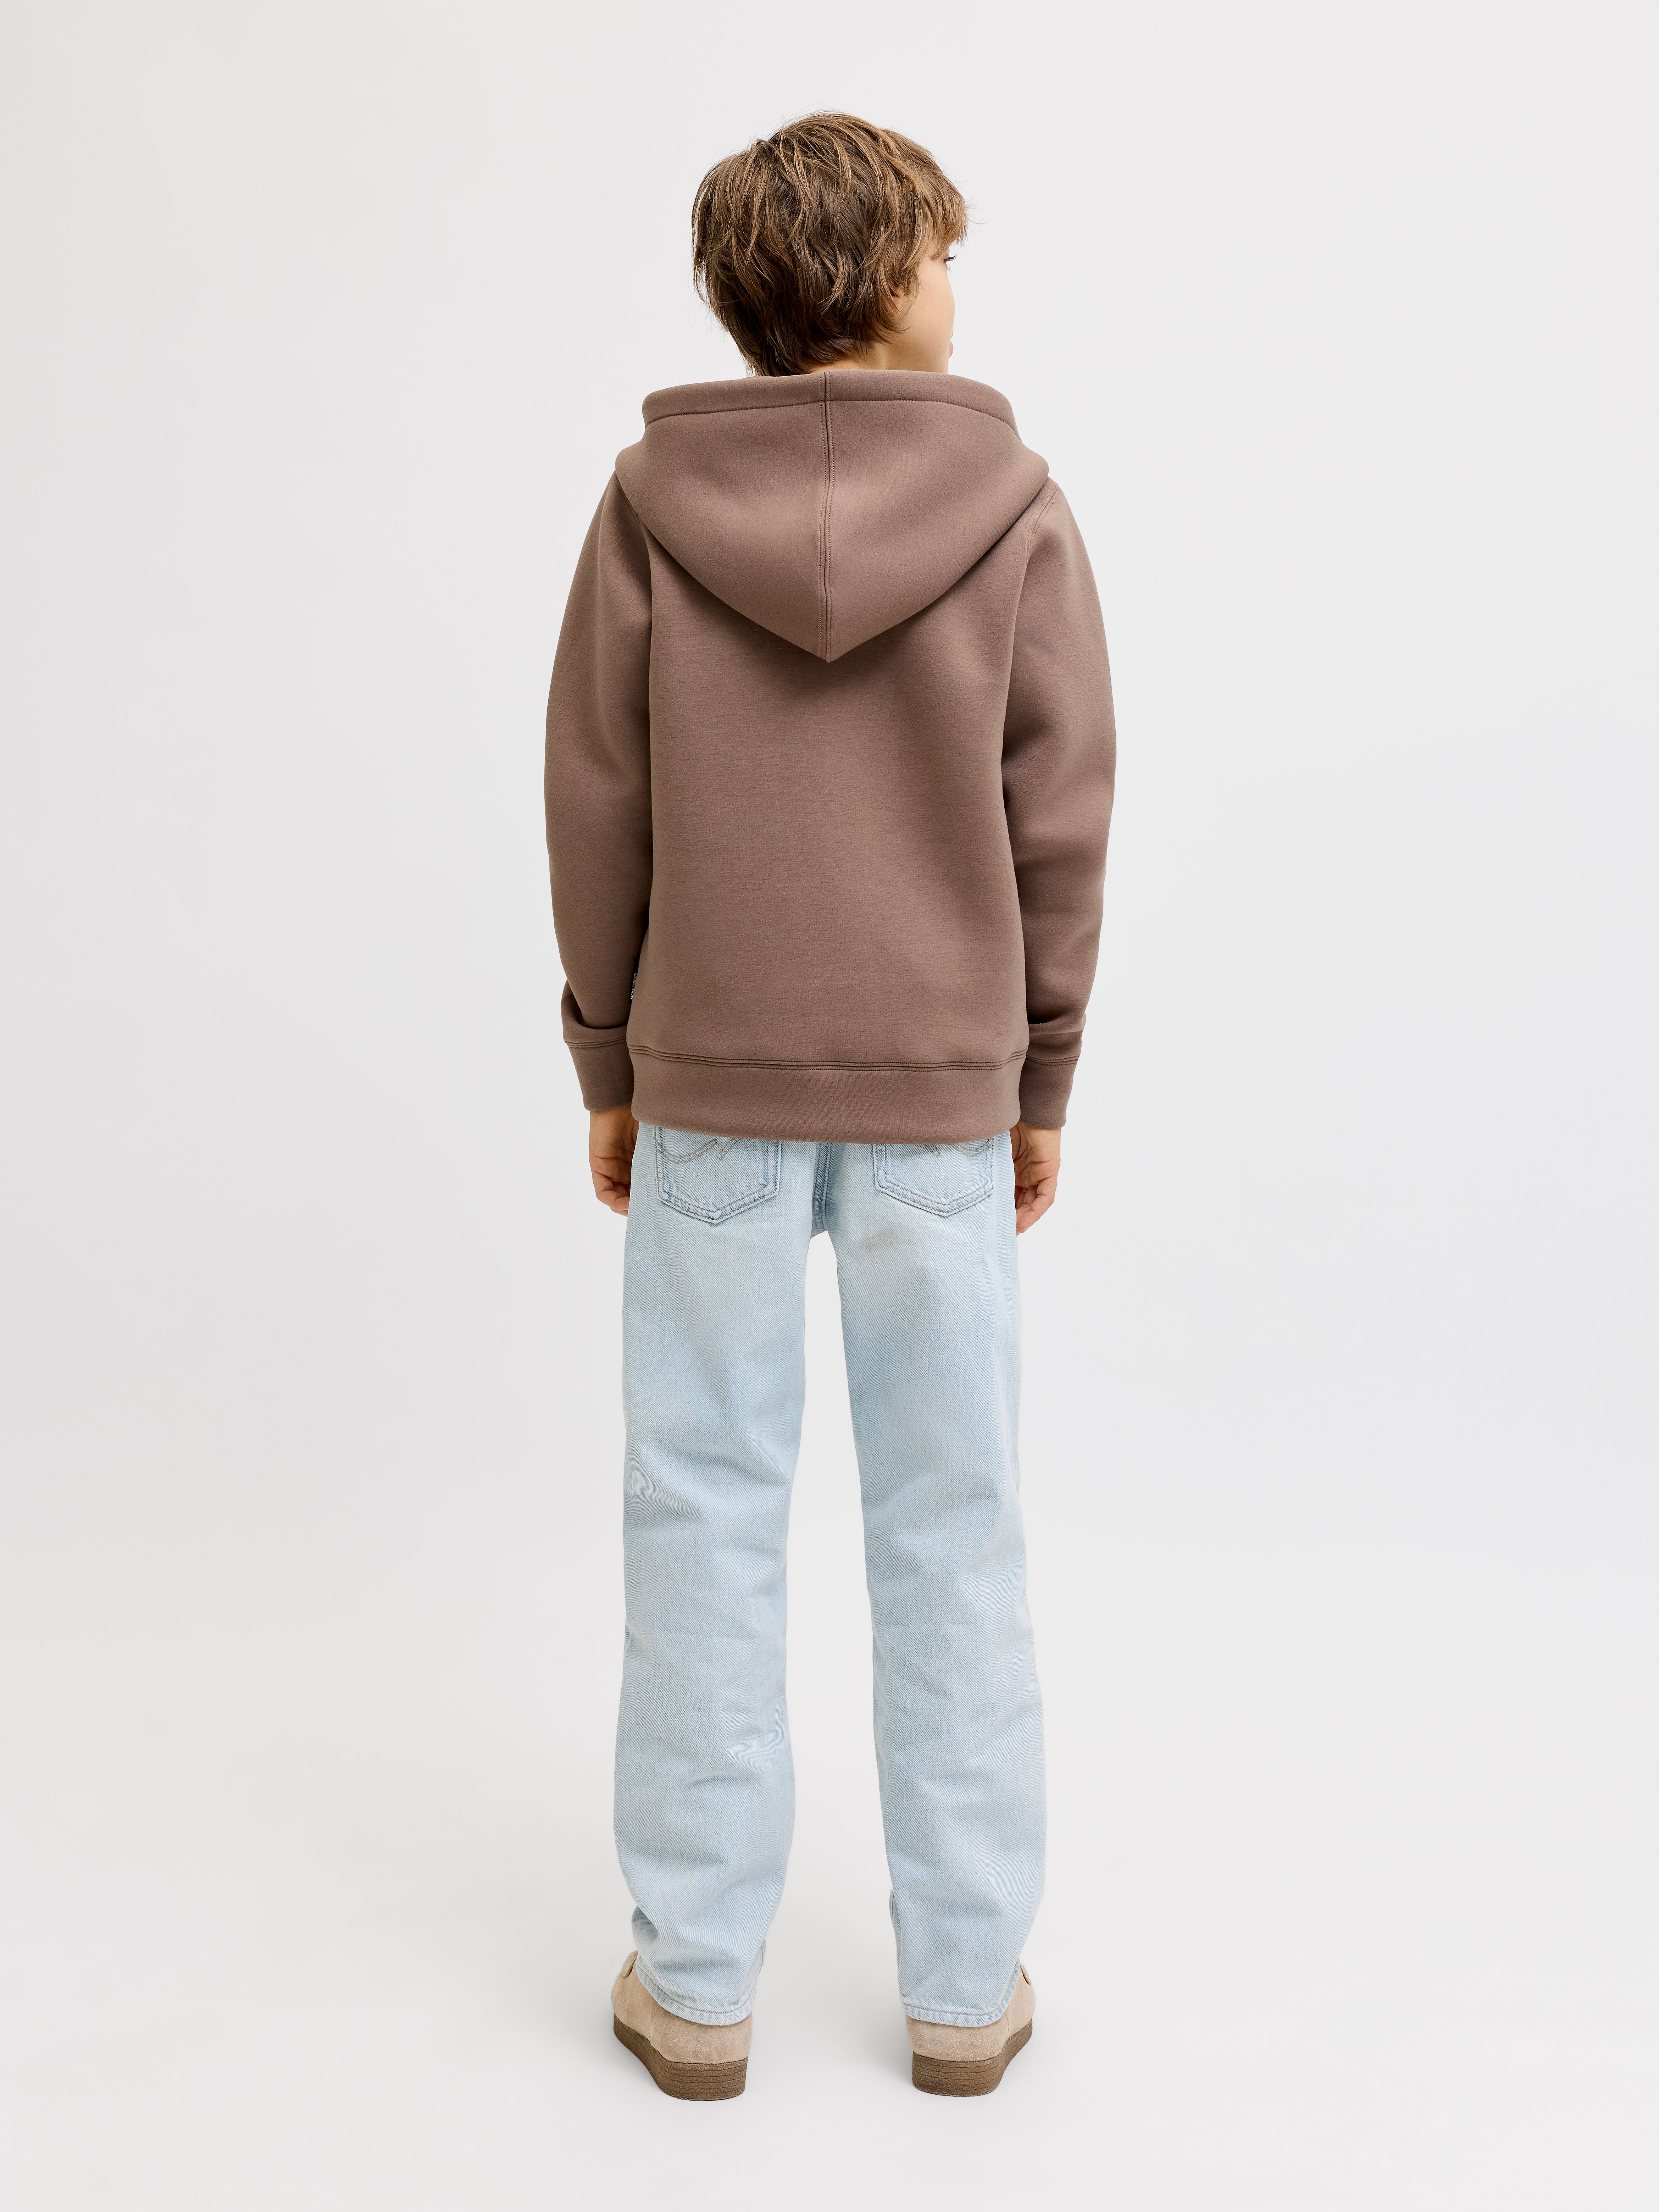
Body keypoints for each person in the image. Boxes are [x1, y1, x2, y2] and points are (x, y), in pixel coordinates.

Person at [545, 112, 1115, 2100]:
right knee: (952, 1523)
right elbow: (1060, 815)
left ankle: (696, 1985)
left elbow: (595, 802)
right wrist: (1039, 1068)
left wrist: (610, 1056)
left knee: (701, 1510)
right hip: (940, 1099)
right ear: (880, 282)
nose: (958, 288)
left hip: (708, 1081)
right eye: (944, 254)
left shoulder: (647, 507)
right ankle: (963, 1990)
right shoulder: (1015, 508)